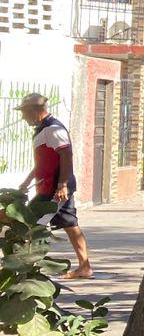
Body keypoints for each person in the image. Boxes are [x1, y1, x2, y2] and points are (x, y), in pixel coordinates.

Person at [15, 93, 90, 279]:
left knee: (31, 225)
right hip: (49, 187)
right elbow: (44, 162)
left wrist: (62, 185)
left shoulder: (54, 129)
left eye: (24, 113)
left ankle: (24, 270)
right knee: (70, 224)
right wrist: (27, 181)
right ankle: (85, 267)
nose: (23, 117)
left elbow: (66, 156)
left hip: (54, 190)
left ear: (35, 110)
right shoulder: (43, 129)